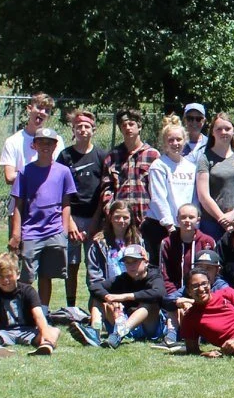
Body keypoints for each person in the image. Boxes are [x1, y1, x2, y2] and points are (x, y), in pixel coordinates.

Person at [8, 126, 77, 307]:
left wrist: (63, 229)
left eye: (50, 143)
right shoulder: (25, 172)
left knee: (47, 275)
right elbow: (18, 205)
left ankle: (43, 311)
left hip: (54, 230)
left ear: (55, 146)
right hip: (31, 231)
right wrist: (16, 233)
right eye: (41, 142)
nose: (45, 146)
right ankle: (23, 311)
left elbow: (66, 203)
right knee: (26, 276)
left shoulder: (63, 172)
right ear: (34, 145)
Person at [57, 108, 108, 309]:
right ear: (73, 130)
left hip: (94, 218)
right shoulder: (65, 155)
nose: (83, 130)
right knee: (71, 264)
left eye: (87, 126)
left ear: (93, 130)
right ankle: (71, 307)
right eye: (79, 127)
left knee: (94, 266)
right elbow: (62, 193)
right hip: (71, 217)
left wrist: (96, 223)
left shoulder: (101, 156)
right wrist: (69, 224)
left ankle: (94, 307)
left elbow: (103, 193)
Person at [0, 251, 58, 355]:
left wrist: (45, 332)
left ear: (18, 274)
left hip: (28, 331)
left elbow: (38, 315)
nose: (5, 280)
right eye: (0, 276)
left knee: (53, 331)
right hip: (3, 332)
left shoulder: (28, 291)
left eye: (9, 276)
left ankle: (45, 346)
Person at [103, 107, 157, 259]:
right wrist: (111, 212)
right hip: (121, 223)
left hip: (146, 220)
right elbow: (107, 188)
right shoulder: (112, 156)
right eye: (123, 125)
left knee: (146, 262)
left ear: (139, 126)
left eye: (131, 124)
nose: (127, 127)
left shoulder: (153, 155)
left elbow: (159, 190)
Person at [83, 200, 143, 334]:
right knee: (98, 299)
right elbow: (94, 278)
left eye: (125, 217)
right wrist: (108, 296)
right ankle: (94, 332)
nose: (121, 221)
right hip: (108, 294)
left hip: (132, 294)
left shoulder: (138, 241)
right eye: (117, 217)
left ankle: (120, 328)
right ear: (110, 218)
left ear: (131, 219)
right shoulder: (99, 244)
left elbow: (143, 272)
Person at [144, 117, 200, 261]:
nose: (175, 143)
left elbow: (193, 198)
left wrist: (192, 221)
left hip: (184, 225)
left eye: (179, 139)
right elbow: (158, 198)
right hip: (161, 226)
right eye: (171, 140)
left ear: (185, 140)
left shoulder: (191, 167)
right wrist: (169, 225)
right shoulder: (159, 165)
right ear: (164, 143)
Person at [175, 266, 234, 356]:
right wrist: (206, 354)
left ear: (210, 284)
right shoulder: (190, 318)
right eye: (195, 286)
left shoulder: (227, 293)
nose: (201, 289)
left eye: (204, 284)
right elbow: (192, 351)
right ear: (188, 291)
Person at [100, 244, 170, 346]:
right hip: (126, 322)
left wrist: (124, 296)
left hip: (151, 327)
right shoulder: (122, 278)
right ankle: (94, 330)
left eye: (135, 262)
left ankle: (119, 334)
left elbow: (159, 293)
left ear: (146, 262)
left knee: (149, 304)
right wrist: (109, 298)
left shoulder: (155, 276)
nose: (131, 266)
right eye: (127, 263)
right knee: (105, 302)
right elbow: (95, 287)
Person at [194, 112, 234, 239]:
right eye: (219, 129)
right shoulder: (205, 159)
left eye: (227, 128)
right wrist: (222, 219)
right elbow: (203, 196)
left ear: (233, 130)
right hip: (211, 223)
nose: (223, 132)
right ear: (212, 132)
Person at [159, 202, 217, 299]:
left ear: (198, 220)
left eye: (191, 217)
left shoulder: (208, 242)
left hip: (202, 293)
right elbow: (164, 274)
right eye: (183, 217)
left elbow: (214, 272)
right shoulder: (167, 243)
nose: (187, 220)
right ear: (177, 219)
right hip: (175, 294)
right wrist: (176, 297)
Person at [0, 93, 55, 188]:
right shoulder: (13, 141)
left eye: (47, 110)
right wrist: (41, 173)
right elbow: (10, 177)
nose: (43, 112)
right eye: (39, 108)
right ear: (29, 108)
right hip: (21, 199)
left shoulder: (56, 140)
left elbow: (60, 173)